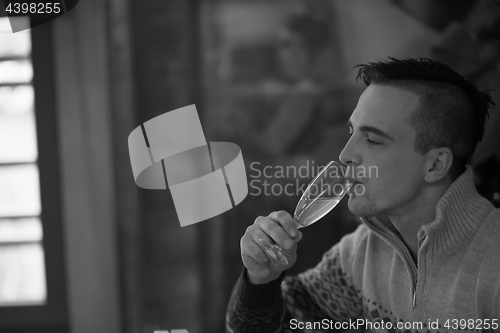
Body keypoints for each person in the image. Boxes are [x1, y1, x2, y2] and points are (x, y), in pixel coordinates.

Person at [226, 57, 499, 333]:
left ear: (435, 165)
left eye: (373, 139)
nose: (345, 155)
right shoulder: (360, 254)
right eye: (351, 132)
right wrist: (261, 279)